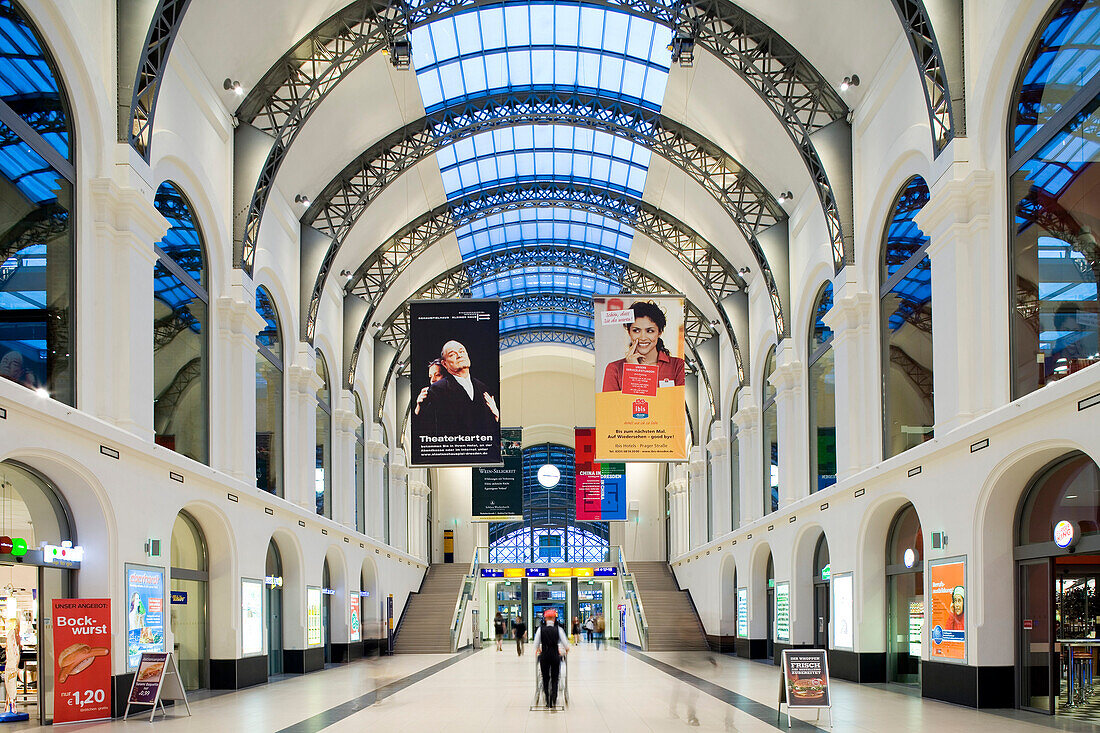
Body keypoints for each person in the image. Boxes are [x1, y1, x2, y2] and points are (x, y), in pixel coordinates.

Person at [415, 341, 500, 434]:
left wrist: (496, 418)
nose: (459, 355)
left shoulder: (483, 388)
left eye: (462, 352)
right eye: (452, 355)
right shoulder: (437, 390)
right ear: (444, 364)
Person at [601, 301, 685, 392]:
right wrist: (633, 370)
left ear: (659, 332)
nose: (643, 337)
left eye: (650, 331)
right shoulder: (614, 369)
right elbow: (612, 406)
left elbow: (679, 405)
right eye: (636, 331)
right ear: (629, 332)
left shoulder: (678, 366)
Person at [534, 608, 569, 708]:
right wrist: (566, 650)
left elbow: (536, 644)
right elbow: (565, 644)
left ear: (545, 619)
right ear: (554, 619)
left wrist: (539, 650)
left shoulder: (540, 629)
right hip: (555, 655)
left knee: (545, 677)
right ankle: (554, 698)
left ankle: (547, 700)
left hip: (544, 655)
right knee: (555, 677)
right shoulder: (559, 629)